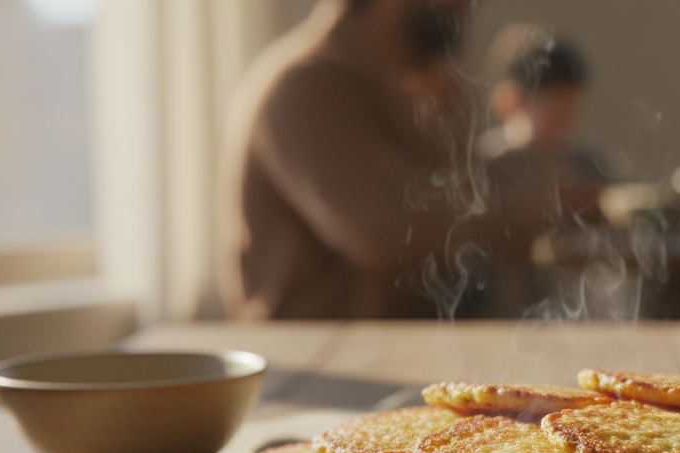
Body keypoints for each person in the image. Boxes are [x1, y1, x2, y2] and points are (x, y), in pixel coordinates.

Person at [219, 0, 546, 320]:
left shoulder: (397, 82)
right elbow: (387, 232)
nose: (466, 6)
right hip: (323, 360)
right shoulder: (306, 84)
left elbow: (449, 194)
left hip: (390, 349)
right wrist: (530, 216)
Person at [480, 35, 612, 200]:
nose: (568, 121)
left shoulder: (588, 162)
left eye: (573, 110)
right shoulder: (488, 164)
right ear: (512, 101)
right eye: (557, 112)